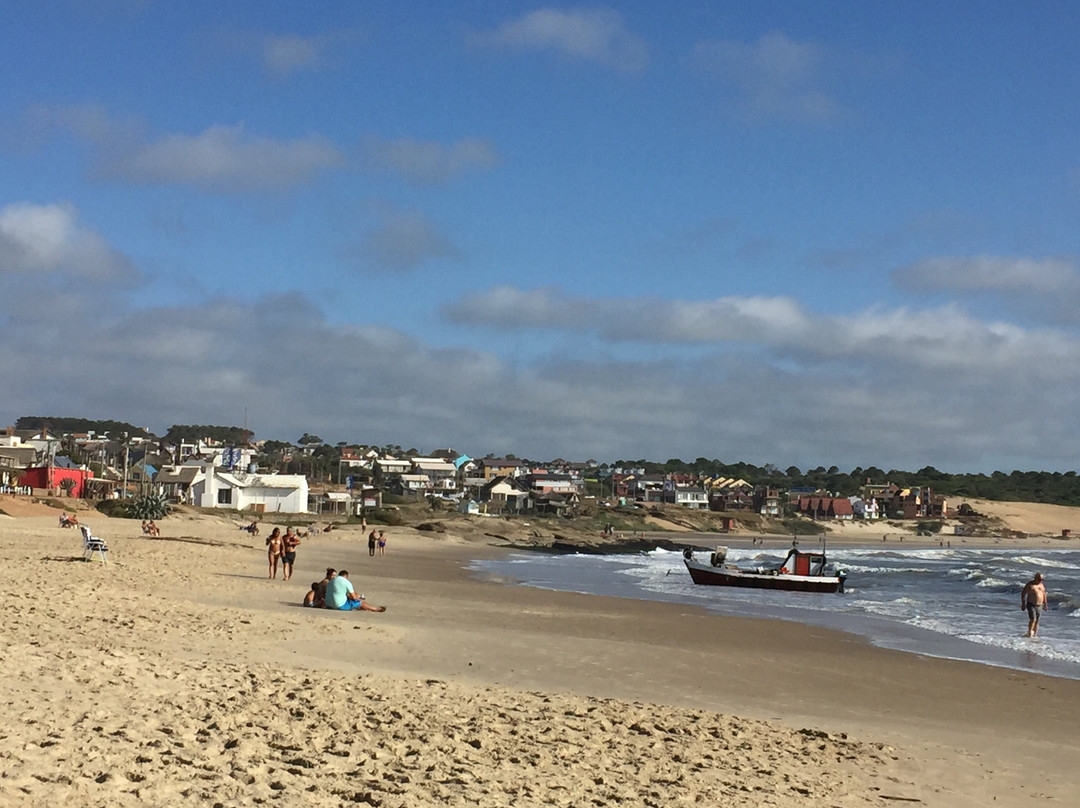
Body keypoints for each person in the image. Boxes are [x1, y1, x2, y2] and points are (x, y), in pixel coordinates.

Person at [1021, 572, 1048, 637]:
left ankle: (1035, 634)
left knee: (1037, 620)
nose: (1040, 581)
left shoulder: (1041, 585)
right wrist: (1023, 603)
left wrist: (1045, 604)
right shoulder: (1030, 585)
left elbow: (1044, 594)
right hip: (1031, 604)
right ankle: (1030, 633)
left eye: (1041, 579)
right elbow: (1023, 594)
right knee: (1033, 619)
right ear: (1035, 578)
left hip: (1040, 605)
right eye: (1039, 579)